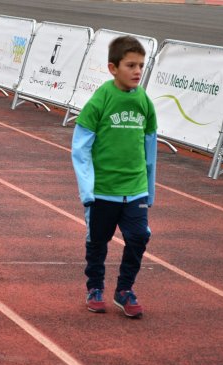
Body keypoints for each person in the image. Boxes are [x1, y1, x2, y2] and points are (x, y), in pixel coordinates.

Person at [71, 36, 158, 319]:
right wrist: (87, 191)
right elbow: (80, 149)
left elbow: (150, 149)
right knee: (97, 241)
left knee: (139, 236)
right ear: (113, 68)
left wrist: (150, 190)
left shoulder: (144, 101)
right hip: (103, 191)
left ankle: (124, 290)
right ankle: (95, 287)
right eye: (130, 65)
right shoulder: (101, 99)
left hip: (135, 188)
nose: (137, 71)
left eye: (141, 66)